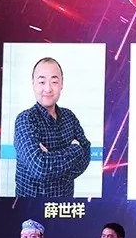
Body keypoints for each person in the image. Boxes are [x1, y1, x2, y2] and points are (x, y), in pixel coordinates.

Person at [14, 57, 92, 197]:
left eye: (54, 82)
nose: (48, 88)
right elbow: (40, 168)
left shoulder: (69, 116)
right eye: (42, 82)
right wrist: (75, 149)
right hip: (31, 206)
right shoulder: (25, 120)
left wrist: (50, 163)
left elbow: (86, 154)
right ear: (33, 84)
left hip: (64, 206)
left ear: (61, 84)